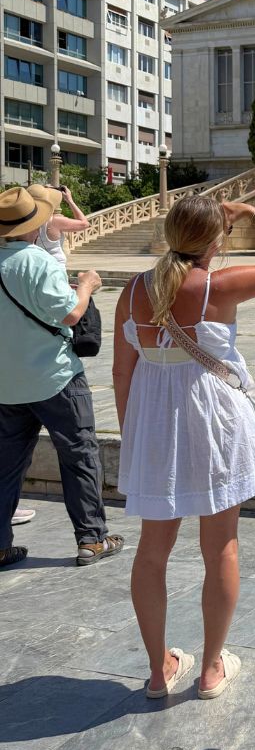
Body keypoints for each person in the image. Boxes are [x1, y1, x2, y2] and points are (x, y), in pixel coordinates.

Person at [113, 196, 255, 699]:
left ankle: (158, 671)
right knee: (220, 546)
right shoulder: (216, 286)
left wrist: (135, 437)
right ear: (216, 240)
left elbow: (121, 373)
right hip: (213, 417)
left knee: (152, 552)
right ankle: (211, 668)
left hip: (154, 420)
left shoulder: (132, 290)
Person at [0, 185, 124, 569]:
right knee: (79, 455)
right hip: (55, 377)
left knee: (5, 465)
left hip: (7, 383)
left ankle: (0, 545)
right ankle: (92, 539)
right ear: (32, 225)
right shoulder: (36, 261)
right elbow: (70, 314)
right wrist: (87, 285)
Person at [36, 184, 90, 268]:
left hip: (37, 264)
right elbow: (85, 224)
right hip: (55, 266)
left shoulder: (30, 220)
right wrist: (70, 200)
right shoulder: (55, 221)